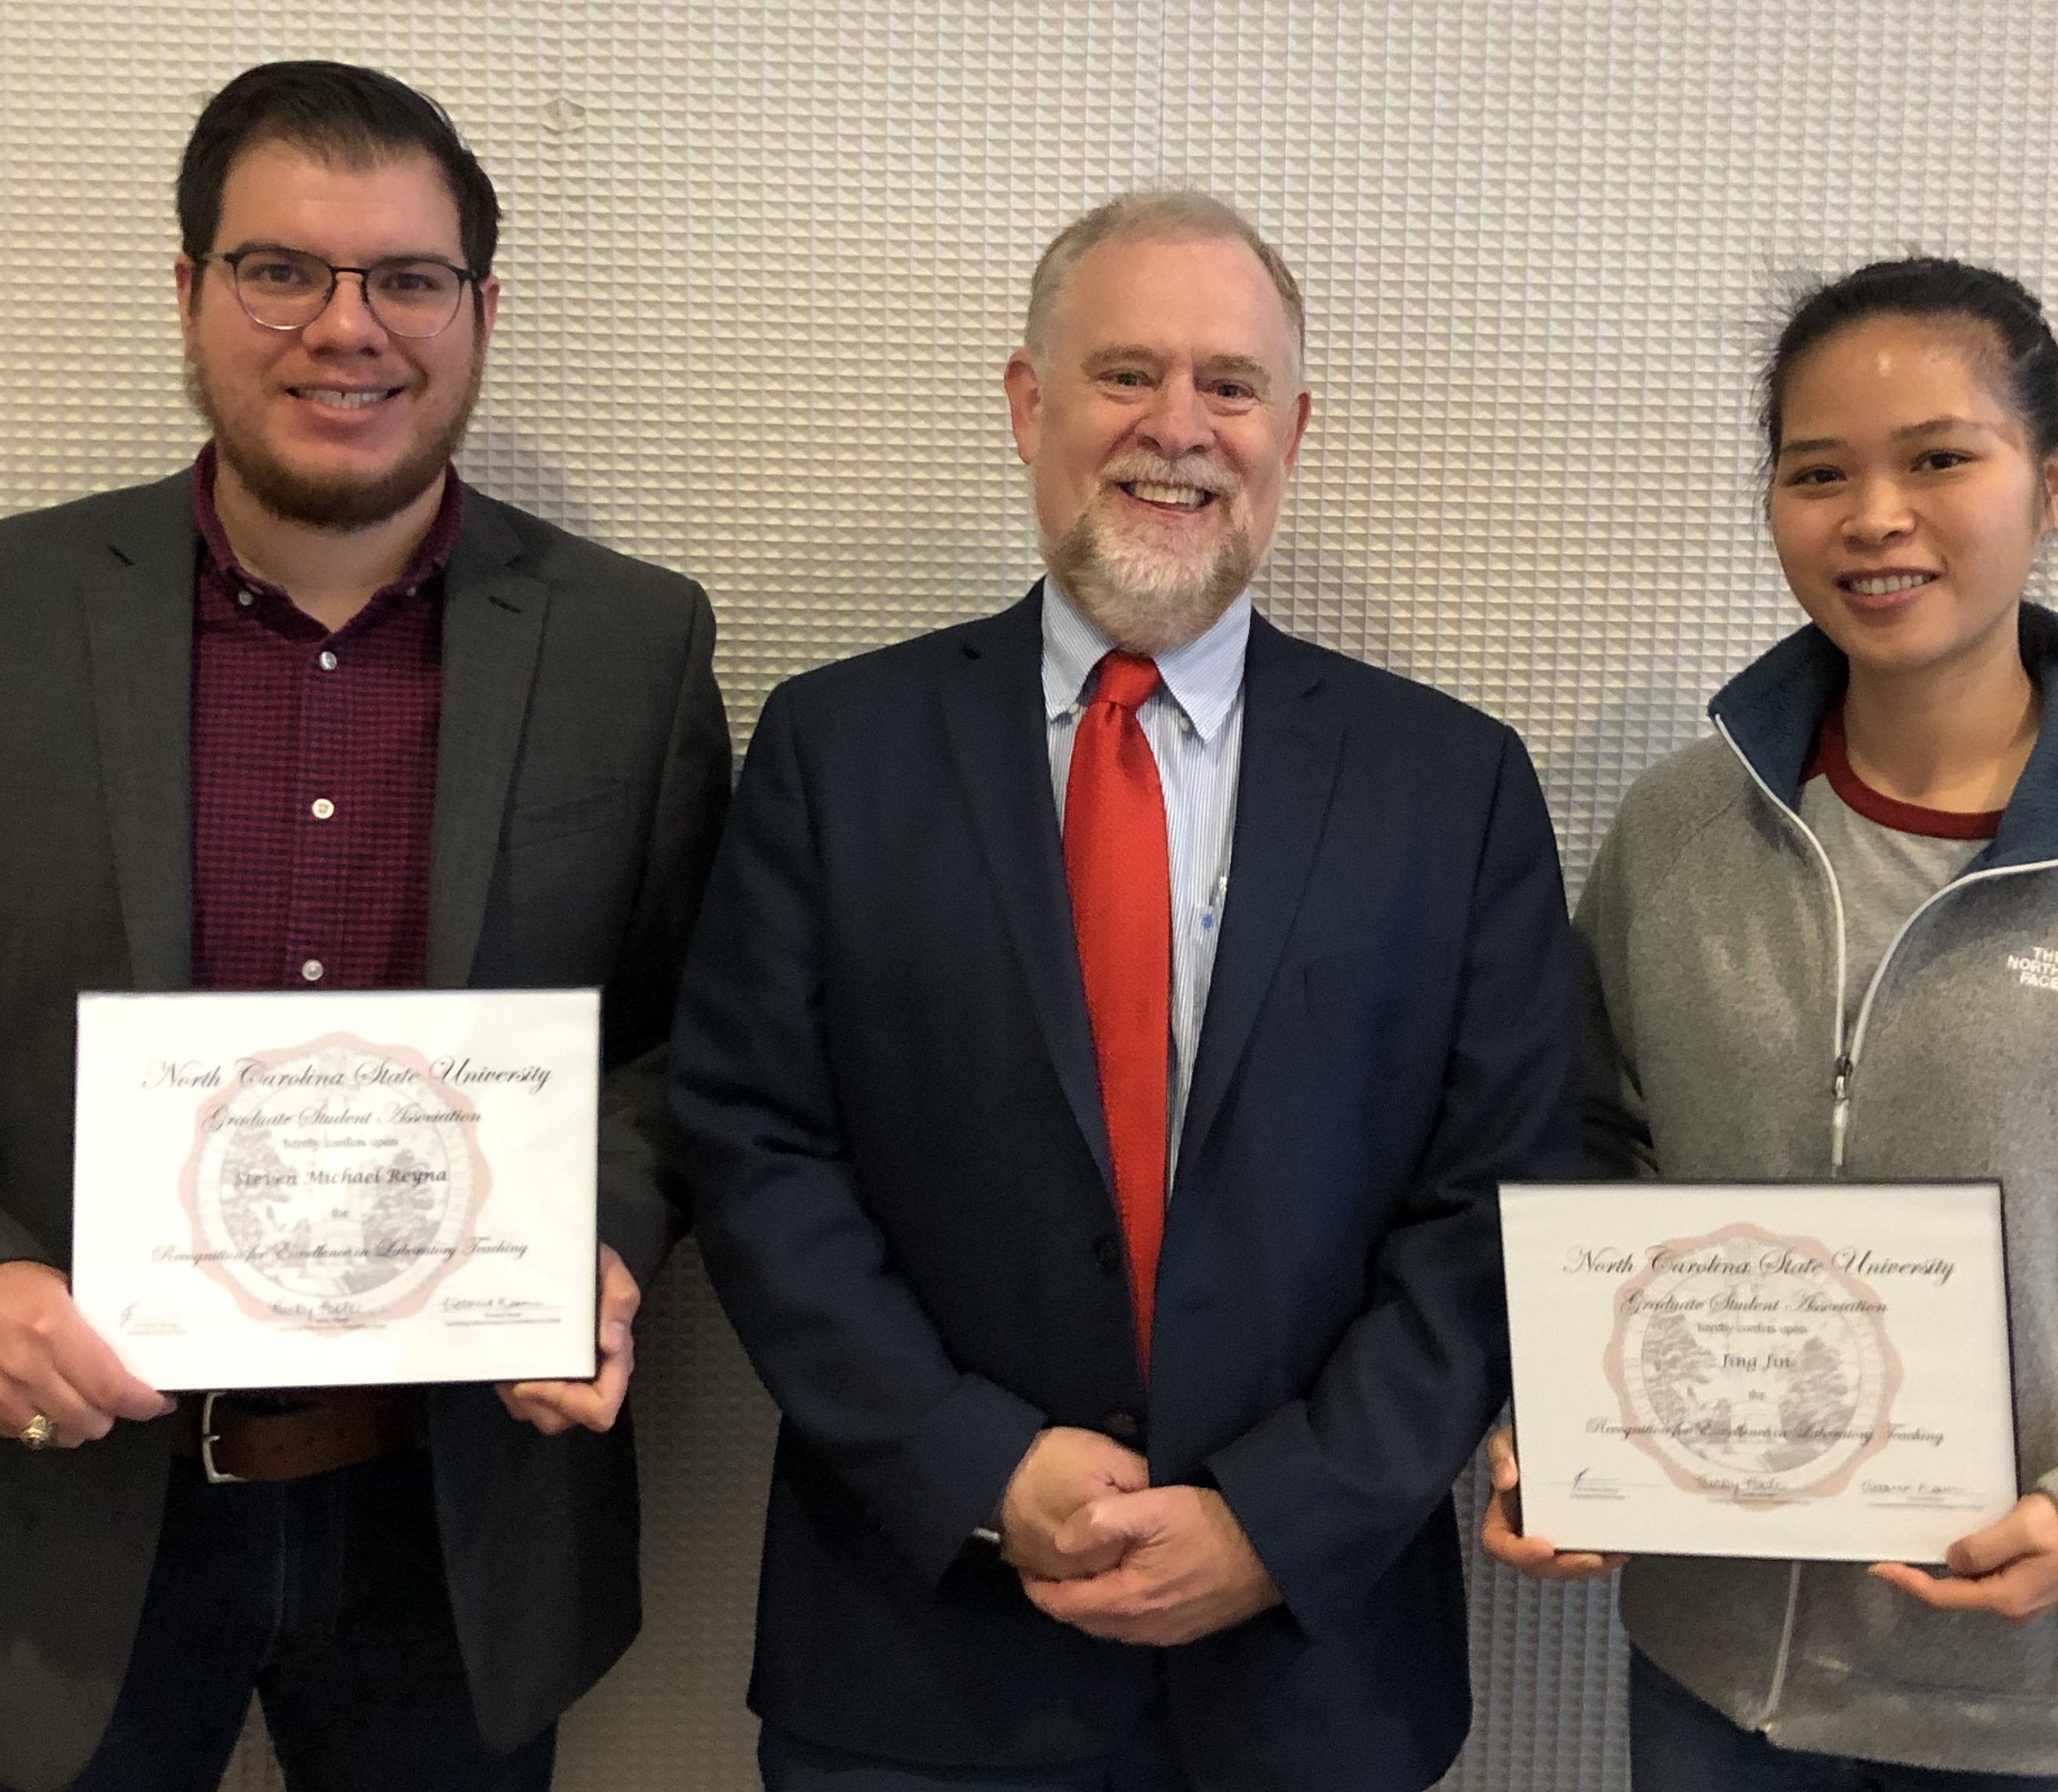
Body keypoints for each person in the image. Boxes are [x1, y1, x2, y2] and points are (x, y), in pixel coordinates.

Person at [0, 61, 728, 1792]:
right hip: (56, 1515)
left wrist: (603, 1237)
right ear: (191, 290)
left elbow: (682, 1042)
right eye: (280, 269)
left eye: (406, 279)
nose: (345, 328)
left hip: (458, 1526)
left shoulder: (632, 648)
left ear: (480, 310)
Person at [671, 190, 1575, 1791]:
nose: (1180, 428)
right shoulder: (834, 752)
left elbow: (1495, 1199)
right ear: (1029, 402)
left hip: (1310, 1675)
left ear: (1294, 426)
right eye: (1124, 374)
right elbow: (753, 1145)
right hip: (916, 1664)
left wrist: (1275, 1522)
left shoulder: (1454, 786)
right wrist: (975, 1464)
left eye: (1229, 385)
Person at [1481, 258, 2058, 1788]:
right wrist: (1562, 1410)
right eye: (1817, 472)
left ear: (2052, 481)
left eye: (1938, 459)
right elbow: (1596, 1153)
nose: (1874, 517)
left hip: (2043, 1704)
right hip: (1718, 1689)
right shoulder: (1679, 832)